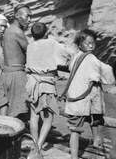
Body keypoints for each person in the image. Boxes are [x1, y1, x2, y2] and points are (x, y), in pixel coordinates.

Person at [64, 29, 116, 159]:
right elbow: (105, 72)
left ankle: (75, 155)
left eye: (93, 43)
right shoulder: (92, 59)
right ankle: (96, 139)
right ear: (80, 43)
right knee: (93, 119)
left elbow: (71, 69)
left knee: (75, 130)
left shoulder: (75, 56)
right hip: (84, 98)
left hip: (75, 98)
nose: (91, 46)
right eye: (88, 43)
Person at [25, 22, 74, 151]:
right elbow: (70, 53)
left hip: (32, 83)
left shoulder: (30, 46)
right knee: (48, 119)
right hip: (46, 84)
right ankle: (38, 148)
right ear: (46, 33)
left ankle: (35, 145)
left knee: (33, 117)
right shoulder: (51, 43)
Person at [2, 4, 32, 122]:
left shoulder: (8, 31)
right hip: (17, 74)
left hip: (8, 73)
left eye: (31, 17)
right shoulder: (17, 31)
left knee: (13, 108)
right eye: (27, 16)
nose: (29, 20)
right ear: (17, 15)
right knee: (19, 111)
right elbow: (30, 52)